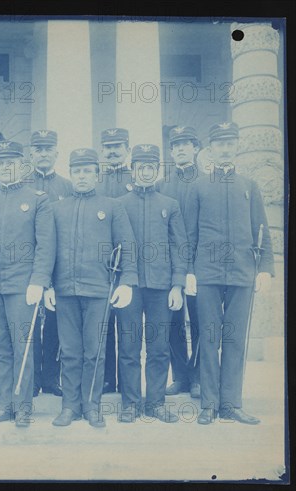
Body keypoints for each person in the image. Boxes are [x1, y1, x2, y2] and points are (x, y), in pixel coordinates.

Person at [184, 122, 274, 425]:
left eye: (230, 143)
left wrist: (265, 269)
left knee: (235, 340)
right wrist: (188, 272)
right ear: (211, 149)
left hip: (241, 273)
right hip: (207, 273)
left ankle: (231, 403)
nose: (225, 148)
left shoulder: (249, 186)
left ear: (237, 147)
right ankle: (208, 404)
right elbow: (189, 234)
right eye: (219, 143)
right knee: (209, 338)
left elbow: (261, 230)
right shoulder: (198, 186)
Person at [0, 140, 55, 428]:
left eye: (12, 162)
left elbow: (45, 245)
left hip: (22, 287)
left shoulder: (38, 199)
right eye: (1, 163)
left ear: (23, 165)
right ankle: (4, 405)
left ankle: (23, 406)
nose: (6, 168)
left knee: (23, 346)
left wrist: (39, 281)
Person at [48, 148, 137, 428]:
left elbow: (127, 247)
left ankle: (92, 405)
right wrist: (49, 285)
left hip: (99, 289)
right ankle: (70, 406)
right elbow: (47, 250)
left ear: (96, 175)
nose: (82, 176)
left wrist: (127, 282)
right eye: (77, 171)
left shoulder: (112, 206)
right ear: (71, 175)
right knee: (70, 350)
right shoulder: (57, 208)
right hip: (65, 290)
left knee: (94, 351)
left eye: (88, 171)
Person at [116, 144, 188, 423]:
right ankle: (131, 403)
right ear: (132, 170)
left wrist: (177, 285)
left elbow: (179, 247)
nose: (145, 172)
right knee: (129, 345)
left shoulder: (169, 205)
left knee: (158, 347)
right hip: (130, 287)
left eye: (150, 167)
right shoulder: (120, 204)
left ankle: (155, 403)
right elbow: (115, 246)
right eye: (140, 167)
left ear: (156, 170)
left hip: (161, 287)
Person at [26, 130, 72, 397]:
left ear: (56, 153)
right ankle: (31, 379)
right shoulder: (22, 184)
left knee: (56, 324)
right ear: (31, 154)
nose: (43, 154)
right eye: (38, 149)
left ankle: (52, 378)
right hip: (29, 265)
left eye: (48, 149)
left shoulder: (67, 186)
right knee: (30, 322)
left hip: (61, 265)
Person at [157, 126, 202, 399]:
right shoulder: (163, 185)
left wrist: (194, 269)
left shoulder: (207, 181)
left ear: (196, 148)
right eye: (176, 145)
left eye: (187, 144)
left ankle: (197, 377)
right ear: (171, 151)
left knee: (198, 320)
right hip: (170, 264)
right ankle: (180, 376)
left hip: (198, 264)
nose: (181, 149)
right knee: (172, 321)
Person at [97, 128, 133, 394]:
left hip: (131, 265)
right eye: (108, 146)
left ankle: (128, 383)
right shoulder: (96, 181)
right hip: (104, 267)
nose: (112, 151)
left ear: (127, 150)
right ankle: (108, 379)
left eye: (117, 146)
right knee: (105, 326)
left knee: (129, 328)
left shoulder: (137, 179)